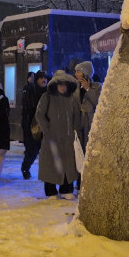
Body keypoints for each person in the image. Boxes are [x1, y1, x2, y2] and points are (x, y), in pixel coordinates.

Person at [35, 70, 81, 199]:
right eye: (60, 84)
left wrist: (75, 132)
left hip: (68, 138)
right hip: (52, 138)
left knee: (68, 164)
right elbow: (39, 114)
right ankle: (50, 191)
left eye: (64, 84)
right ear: (55, 85)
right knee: (51, 164)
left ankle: (66, 189)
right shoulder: (47, 97)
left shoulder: (72, 99)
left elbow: (76, 117)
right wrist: (47, 129)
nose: (62, 86)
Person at [20, 70, 47, 179]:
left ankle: (47, 173)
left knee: (46, 150)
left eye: (45, 78)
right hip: (32, 124)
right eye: (41, 78)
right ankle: (25, 168)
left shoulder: (48, 92)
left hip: (45, 124)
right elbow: (27, 108)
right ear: (36, 80)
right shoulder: (31, 90)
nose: (44, 80)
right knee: (32, 150)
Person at [74, 61, 102, 152]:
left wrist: (87, 89)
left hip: (91, 124)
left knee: (90, 150)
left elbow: (98, 103)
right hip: (78, 125)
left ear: (85, 73)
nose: (75, 74)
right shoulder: (75, 88)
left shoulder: (97, 87)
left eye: (78, 72)